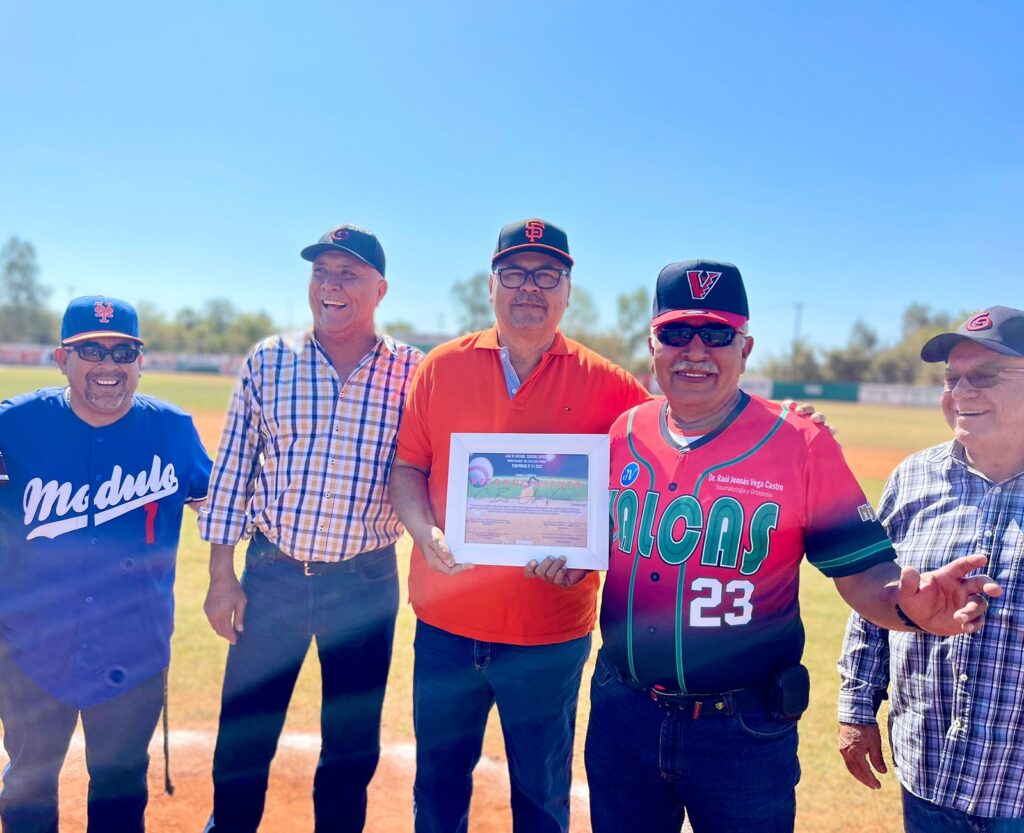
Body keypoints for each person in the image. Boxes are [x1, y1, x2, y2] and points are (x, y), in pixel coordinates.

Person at [532, 261, 1000, 833]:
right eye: (676, 333)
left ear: (746, 346)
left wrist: (908, 609)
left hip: (743, 729)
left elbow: (862, 574)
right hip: (623, 712)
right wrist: (568, 562)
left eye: (717, 334)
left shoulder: (800, 442)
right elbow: (601, 543)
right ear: (652, 345)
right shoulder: (623, 434)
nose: (695, 351)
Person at [388, 218, 651, 833]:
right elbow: (407, 469)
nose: (529, 287)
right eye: (515, 273)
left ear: (567, 289)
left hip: (548, 633)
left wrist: (586, 556)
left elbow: (651, 482)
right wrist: (426, 532)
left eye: (546, 275)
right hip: (446, 628)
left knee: (541, 799)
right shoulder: (441, 367)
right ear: (491, 285)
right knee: (439, 789)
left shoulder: (615, 388)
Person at [198, 225, 423, 833]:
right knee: (243, 739)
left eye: (347, 274)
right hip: (272, 576)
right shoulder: (270, 360)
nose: (331, 285)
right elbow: (231, 474)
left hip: (365, 584)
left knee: (351, 750)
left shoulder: (414, 373)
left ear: (380, 289)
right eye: (321, 272)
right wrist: (222, 576)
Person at [0, 295, 211, 833]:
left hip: (133, 653)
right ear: (61, 358)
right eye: (91, 350)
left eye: (123, 353)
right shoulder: (15, 425)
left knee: (120, 795)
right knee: (26, 789)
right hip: (31, 651)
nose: (108, 366)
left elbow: (223, 502)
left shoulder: (173, 429)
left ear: (140, 361)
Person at [837, 306, 1024, 833]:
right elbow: (875, 595)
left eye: (984, 376)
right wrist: (856, 709)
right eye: (951, 378)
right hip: (930, 774)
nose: (961, 392)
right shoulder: (914, 478)